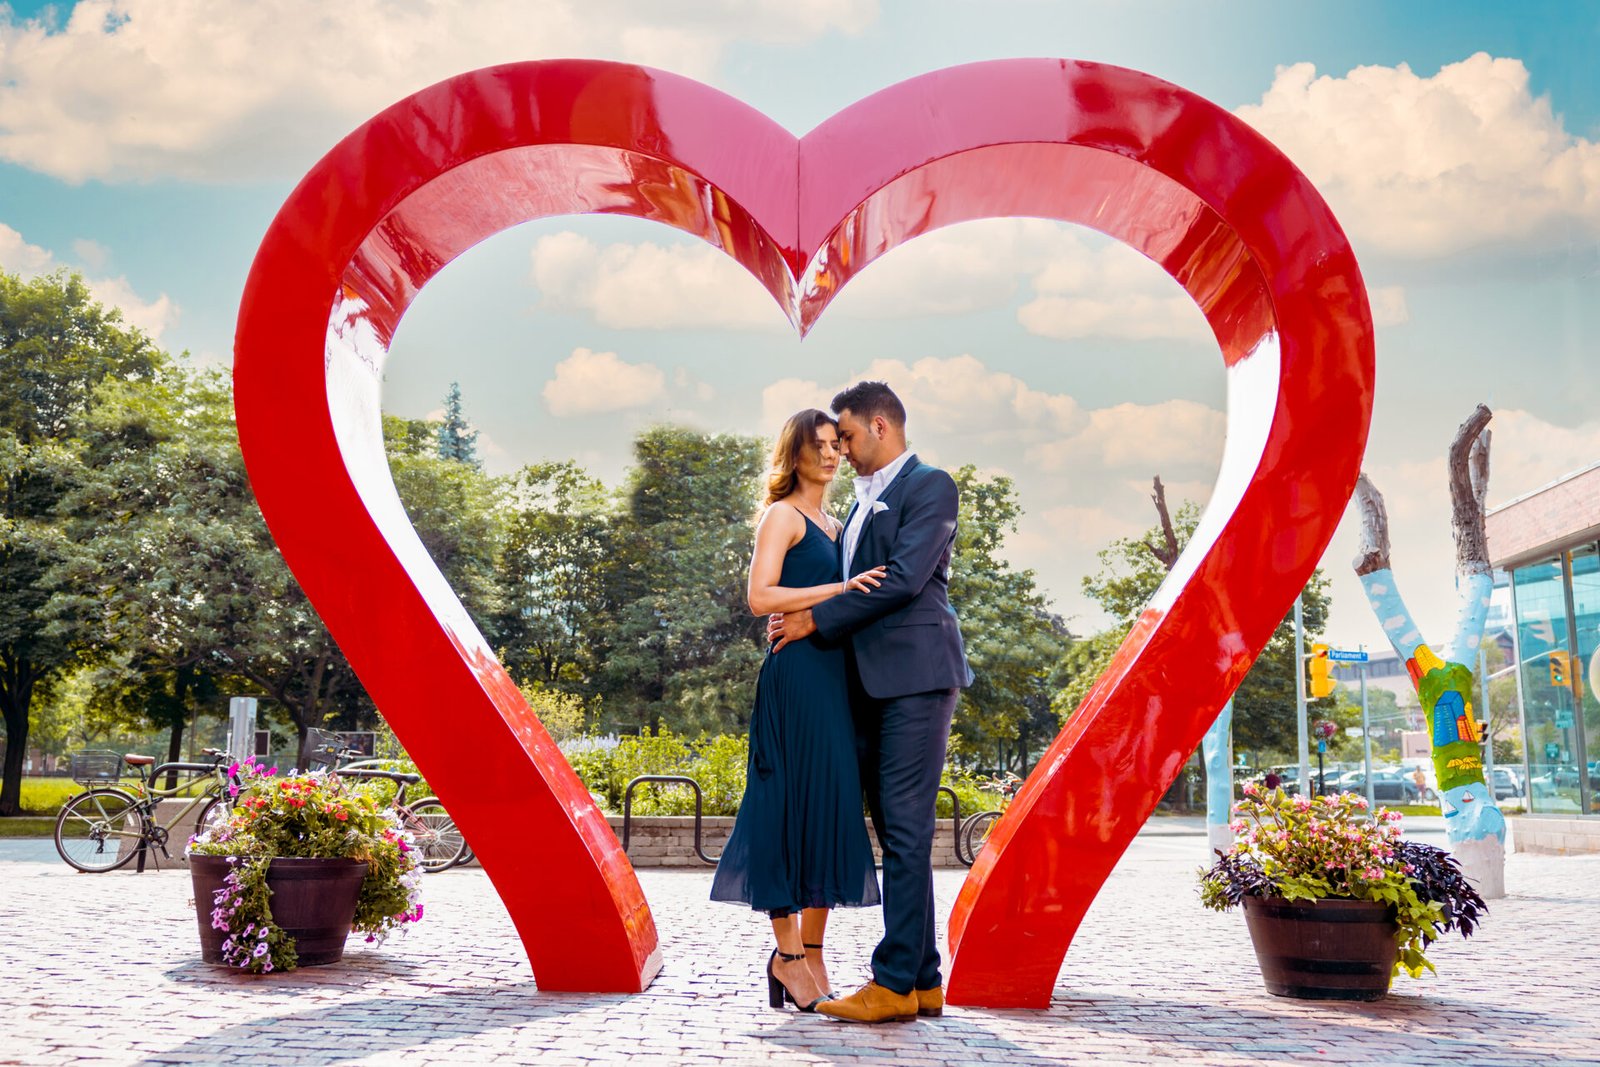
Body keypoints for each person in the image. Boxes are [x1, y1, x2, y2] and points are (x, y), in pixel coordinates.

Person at [768, 381, 973, 1024]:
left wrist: (813, 622)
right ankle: (923, 980)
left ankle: (890, 984)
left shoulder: (930, 486)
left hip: (915, 677)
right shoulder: (857, 507)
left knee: (907, 832)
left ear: (880, 426)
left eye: (849, 436)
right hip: (868, 685)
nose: (842, 451)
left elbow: (905, 579)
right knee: (896, 832)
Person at [710, 408, 884, 1012]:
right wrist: (840, 587)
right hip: (795, 681)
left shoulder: (839, 522)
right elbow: (760, 597)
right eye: (819, 446)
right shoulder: (782, 516)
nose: (832, 455)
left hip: (836, 683)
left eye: (837, 444)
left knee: (830, 812)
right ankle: (785, 958)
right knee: (785, 810)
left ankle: (812, 952)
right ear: (795, 453)